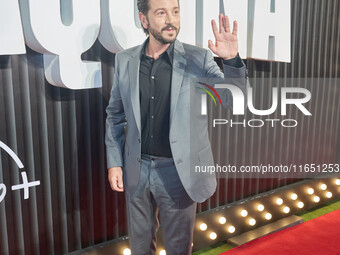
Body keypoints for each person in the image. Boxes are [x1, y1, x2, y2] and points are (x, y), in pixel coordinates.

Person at [105, 0, 247, 254]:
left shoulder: (198, 58)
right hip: (136, 169)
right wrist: (115, 161)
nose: (171, 19)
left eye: (175, 11)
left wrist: (232, 61)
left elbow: (232, 101)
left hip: (178, 173)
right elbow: (115, 114)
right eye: (161, 13)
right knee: (139, 246)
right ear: (144, 20)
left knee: (178, 248)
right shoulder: (125, 60)